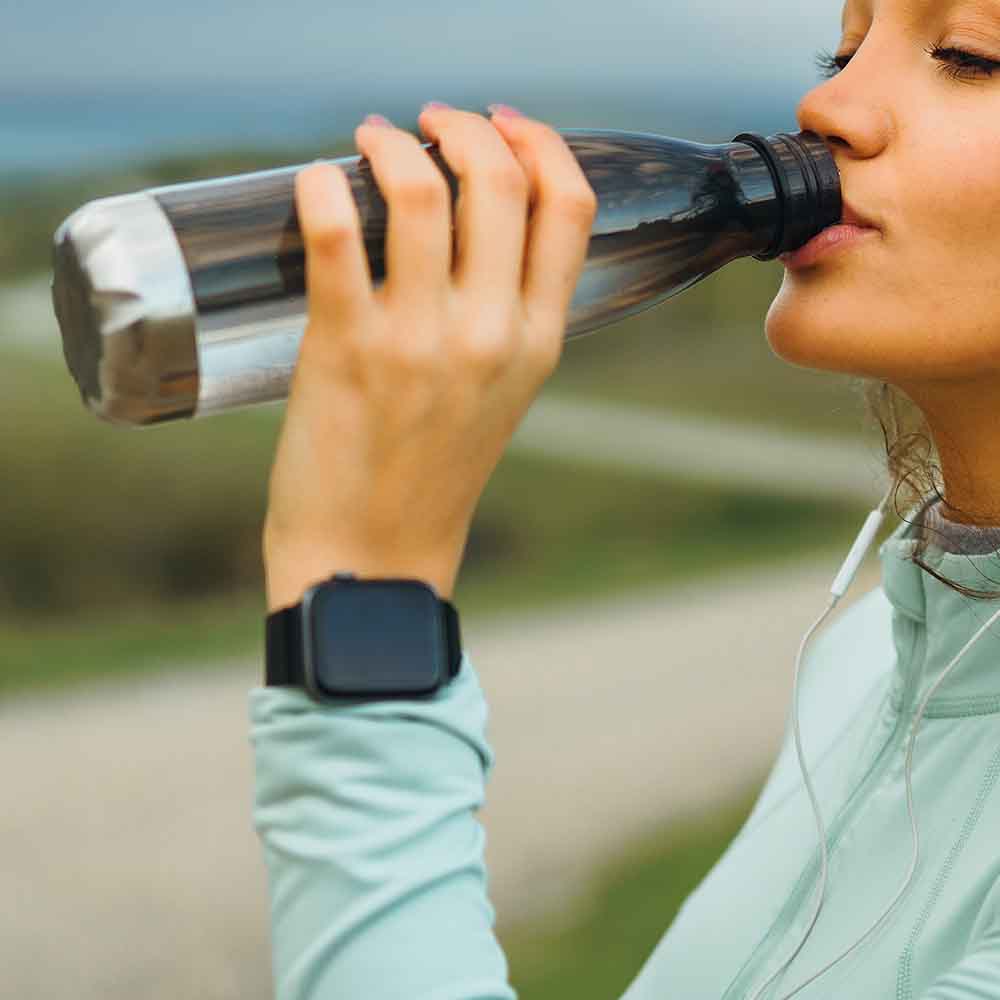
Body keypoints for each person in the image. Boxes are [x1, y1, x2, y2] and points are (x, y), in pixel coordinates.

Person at [249, 1, 1000, 996]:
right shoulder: (872, 659)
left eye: (967, 54)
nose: (826, 102)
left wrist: (366, 580)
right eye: (846, 44)